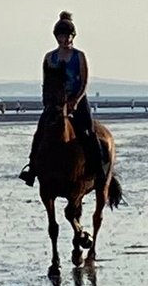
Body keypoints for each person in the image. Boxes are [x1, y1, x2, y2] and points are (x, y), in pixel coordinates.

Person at [19, 11, 108, 186]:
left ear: (72, 36)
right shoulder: (49, 57)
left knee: (88, 131)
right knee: (40, 133)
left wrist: (75, 100)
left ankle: (99, 170)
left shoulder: (79, 56)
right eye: (61, 36)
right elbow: (46, 82)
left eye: (67, 36)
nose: (64, 39)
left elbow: (84, 81)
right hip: (55, 102)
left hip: (77, 99)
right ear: (56, 37)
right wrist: (48, 102)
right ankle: (32, 169)